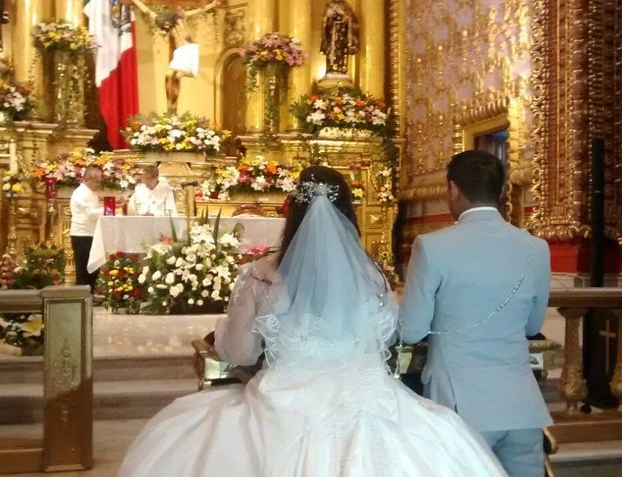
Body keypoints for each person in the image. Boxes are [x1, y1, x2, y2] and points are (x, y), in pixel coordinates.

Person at [119, 166, 504, 476]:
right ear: (348, 214)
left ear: (293, 212)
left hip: (282, 398)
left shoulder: (261, 275)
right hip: (370, 398)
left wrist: (223, 335)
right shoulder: (373, 276)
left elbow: (237, 350)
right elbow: (388, 338)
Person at [400, 150, 552, 477]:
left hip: (460, 404)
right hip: (521, 404)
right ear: (500, 191)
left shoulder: (432, 245)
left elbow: (411, 331)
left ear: (453, 189)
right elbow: (533, 325)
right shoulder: (536, 247)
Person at [127, 0, 226, 113]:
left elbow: (198, 11)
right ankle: (171, 103)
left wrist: (212, 5)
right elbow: (147, 11)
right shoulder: (164, 21)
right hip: (179, 52)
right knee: (168, 75)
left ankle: (174, 105)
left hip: (189, 49)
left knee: (178, 76)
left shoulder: (180, 18)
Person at [70, 166, 103, 291]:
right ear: (88, 179)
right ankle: (82, 296)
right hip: (82, 234)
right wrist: (109, 209)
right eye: (97, 181)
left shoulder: (91, 193)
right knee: (84, 268)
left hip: (90, 233)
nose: (98, 184)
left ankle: (91, 293)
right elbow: (90, 214)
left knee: (92, 268)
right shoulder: (82, 193)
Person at [320, 0, 359, 75]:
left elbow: (351, 20)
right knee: (331, 51)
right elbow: (324, 23)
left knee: (340, 51)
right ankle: (330, 69)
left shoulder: (346, 6)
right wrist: (328, 16)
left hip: (342, 34)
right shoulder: (329, 6)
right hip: (331, 35)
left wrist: (343, 14)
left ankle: (341, 69)